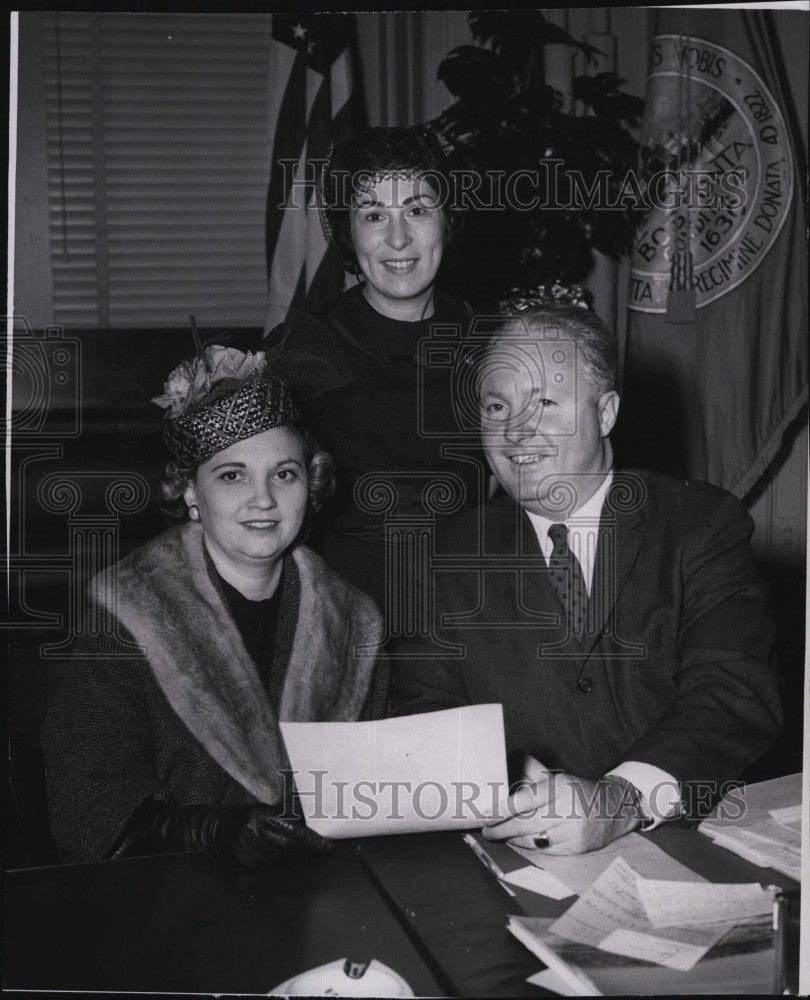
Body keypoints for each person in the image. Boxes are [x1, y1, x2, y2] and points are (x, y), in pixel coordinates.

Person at [390, 304, 782, 855]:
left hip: (679, 843)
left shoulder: (700, 526)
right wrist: (501, 777)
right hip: (514, 852)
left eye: (546, 403)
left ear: (606, 413)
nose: (517, 431)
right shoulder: (442, 553)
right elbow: (421, 712)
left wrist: (618, 800)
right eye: (498, 406)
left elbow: (732, 694)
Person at [42, 344, 389, 865]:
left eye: (284, 473)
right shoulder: (128, 613)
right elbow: (85, 799)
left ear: (310, 484)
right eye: (232, 475)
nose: (264, 499)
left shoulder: (355, 621)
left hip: (321, 892)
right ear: (189, 492)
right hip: (173, 897)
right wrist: (206, 830)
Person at [262, 125, 482, 604]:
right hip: (341, 613)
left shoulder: (492, 344)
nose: (399, 239)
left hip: (472, 604)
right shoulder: (302, 349)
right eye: (374, 215)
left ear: (447, 220)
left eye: (418, 211)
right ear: (346, 230)